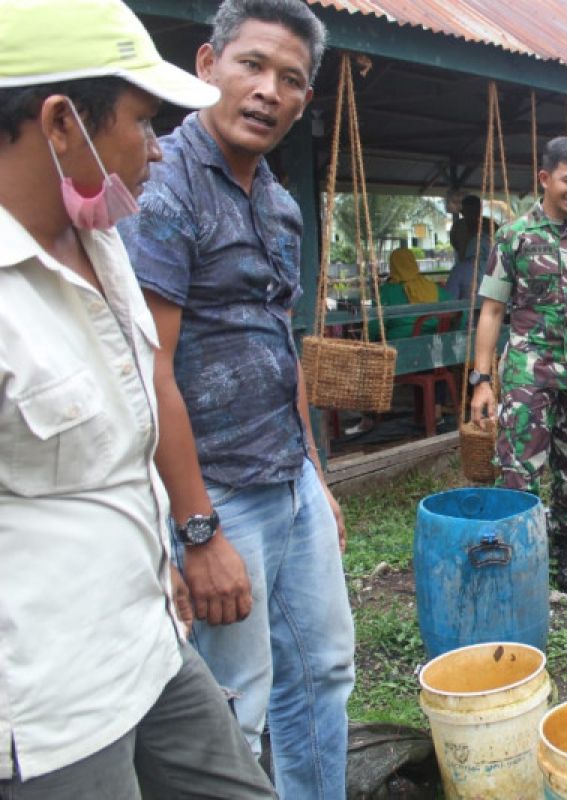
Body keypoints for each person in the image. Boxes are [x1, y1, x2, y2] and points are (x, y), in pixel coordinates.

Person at [0, 0, 275, 795]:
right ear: (61, 123)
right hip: (51, 703)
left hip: (151, 642)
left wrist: (178, 545)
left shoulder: (100, 246)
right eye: (142, 123)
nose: (156, 152)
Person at [118, 1, 355, 796]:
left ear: (304, 101)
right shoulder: (165, 187)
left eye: (290, 80)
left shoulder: (279, 205)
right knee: (232, 707)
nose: (267, 92)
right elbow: (151, 367)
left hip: (287, 480)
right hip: (216, 492)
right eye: (251, 65)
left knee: (323, 670)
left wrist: (314, 474)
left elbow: (277, 349)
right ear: (207, 62)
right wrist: (196, 530)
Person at [470, 135, 567, 604]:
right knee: (519, 473)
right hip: (527, 376)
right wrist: (480, 380)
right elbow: (492, 311)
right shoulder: (514, 236)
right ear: (544, 178)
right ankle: (516, 567)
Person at [445, 193, 491, 300]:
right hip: (469, 268)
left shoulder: (489, 224)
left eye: (474, 209)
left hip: (479, 268)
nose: (471, 213)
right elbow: (455, 244)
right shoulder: (458, 226)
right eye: (469, 210)